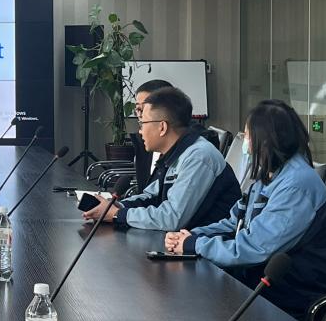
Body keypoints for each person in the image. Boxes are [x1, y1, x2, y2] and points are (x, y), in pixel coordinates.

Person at [166, 100, 326, 321]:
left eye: (248, 136)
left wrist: (195, 244)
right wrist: (190, 236)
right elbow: (234, 222)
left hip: (308, 306)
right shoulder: (270, 175)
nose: (245, 142)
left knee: (207, 315)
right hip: (276, 294)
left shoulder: (297, 186)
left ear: (266, 140)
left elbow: (254, 248)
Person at [84, 87, 239, 230]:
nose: (140, 131)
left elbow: (172, 218)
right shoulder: (175, 153)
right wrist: (117, 207)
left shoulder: (198, 156)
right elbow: (151, 196)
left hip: (205, 244)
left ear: (162, 127)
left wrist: (117, 215)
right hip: (179, 241)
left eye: (142, 123)